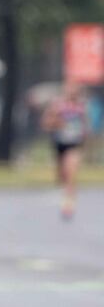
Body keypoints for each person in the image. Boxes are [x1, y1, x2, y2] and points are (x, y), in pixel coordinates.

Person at [41, 81, 88, 220]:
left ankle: (68, 204)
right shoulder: (57, 105)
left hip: (74, 144)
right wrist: (58, 123)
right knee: (62, 176)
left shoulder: (81, 107)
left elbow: (86, 126)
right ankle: (66, 193)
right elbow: (46, 123)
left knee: (71, 172)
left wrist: (85, 141)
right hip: (60, 142)